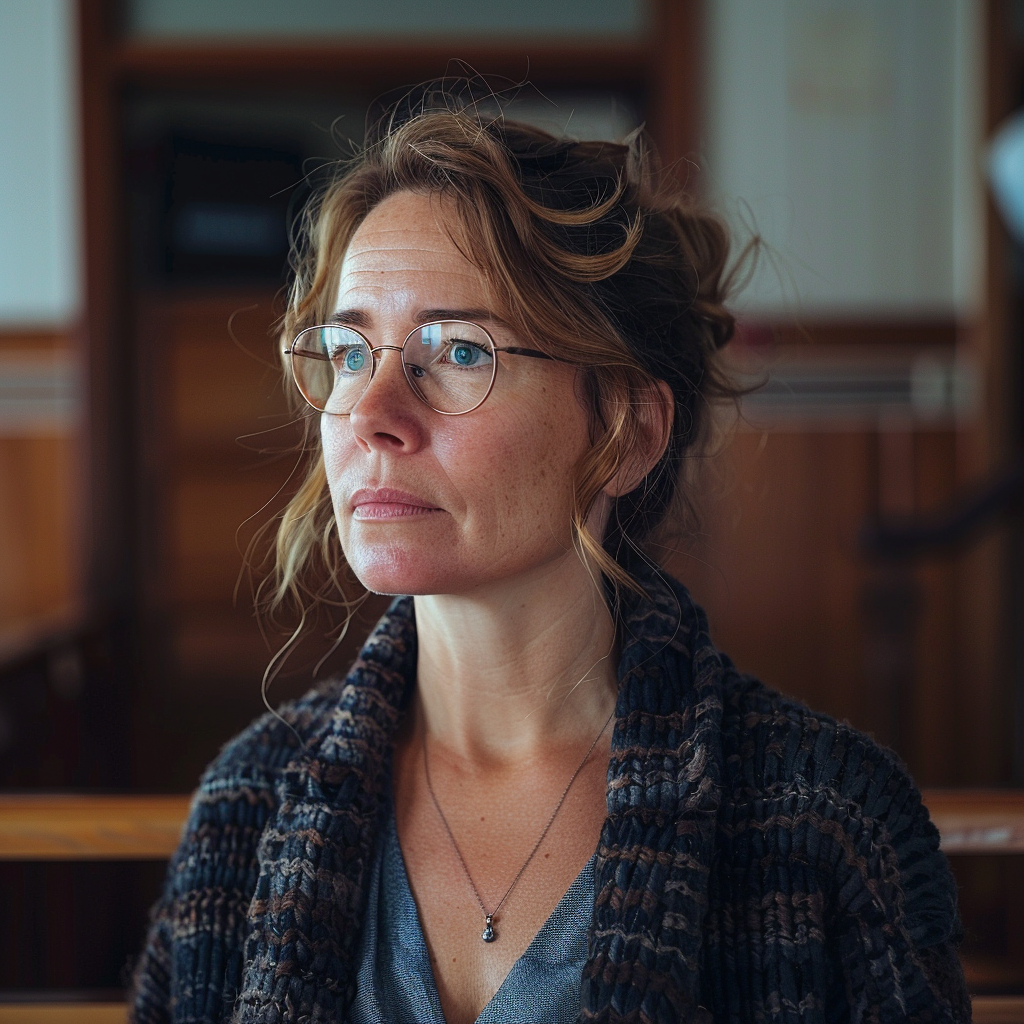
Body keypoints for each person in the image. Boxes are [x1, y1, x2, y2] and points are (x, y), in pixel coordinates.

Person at [130, 86, 970, 1024]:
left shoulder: (825, 820)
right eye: (349, 350)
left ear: (623, 431)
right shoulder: (248, 808)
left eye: (457, 352)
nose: (369, 416)